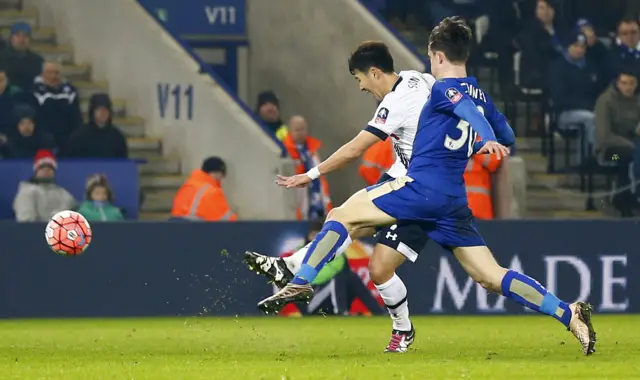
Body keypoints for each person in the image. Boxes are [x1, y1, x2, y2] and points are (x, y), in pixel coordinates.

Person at [257, 17, 596, 356]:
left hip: (420, 190)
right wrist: (484, 140)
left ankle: (300, 280)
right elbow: (508, 134)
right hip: (452, 200)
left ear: (436, 55)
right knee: (492, 275)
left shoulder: (440, 87)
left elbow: (463, 108)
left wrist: (486, 138)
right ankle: (567, 312)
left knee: (342, 214)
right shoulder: (481, 95)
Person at [244, 41, 436, 352]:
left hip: (419, 192)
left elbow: (353, 150)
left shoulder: (395, 103)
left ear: (374, 72)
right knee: (374, 264)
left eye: (359, 78)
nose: (360, 87)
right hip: (405, 180)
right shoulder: (418, 79)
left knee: (343, 220)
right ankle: (292, 268)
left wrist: (310, 175)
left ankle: (294, 271)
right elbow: (445, 91)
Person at [282, 115, 332, 220]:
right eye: (297, 130)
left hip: (317, 198)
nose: (300, 133)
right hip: (298, 199)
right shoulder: (285, 151)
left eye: (303, 129)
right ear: (290, 131)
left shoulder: (313, 149)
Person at [13, 149, 76, 221]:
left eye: (50, 168)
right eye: (42, 167)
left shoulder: (64, 195)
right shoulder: (26, 192)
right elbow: (26, 221)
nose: (46, 170)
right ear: (36, 170)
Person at [170, 156, 237, 221]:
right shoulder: (212, 192)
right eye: (222, 175)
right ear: (217, 173)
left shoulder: (187, 186)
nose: (221, 178)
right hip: (197, 230)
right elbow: (226, 220)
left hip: (175, 228)